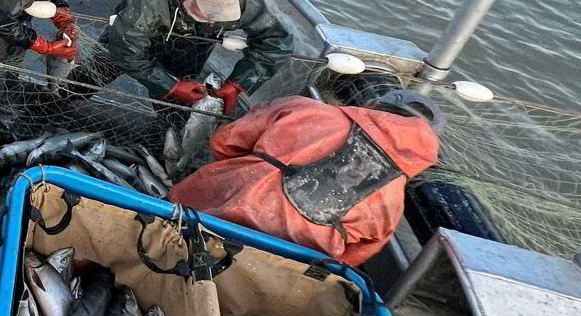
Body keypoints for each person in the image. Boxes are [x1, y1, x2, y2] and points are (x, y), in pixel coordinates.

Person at [168, 89, 443, 266]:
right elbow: (352, 257)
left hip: (210, 210)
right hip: (280, 263)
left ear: (372, 105)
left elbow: (223, 142)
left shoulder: (307, 109)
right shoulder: (394, 200)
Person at [82, 0, 290, 113]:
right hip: (132, 41)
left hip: (187, 56)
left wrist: (239, 83)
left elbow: (276, 41)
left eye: (220, 15)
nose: (213, 20)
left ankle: (167, 142)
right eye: (207, 12)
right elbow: (124, 48)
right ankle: (64, 99)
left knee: (175, 112)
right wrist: (169, 85)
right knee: (92, 75)